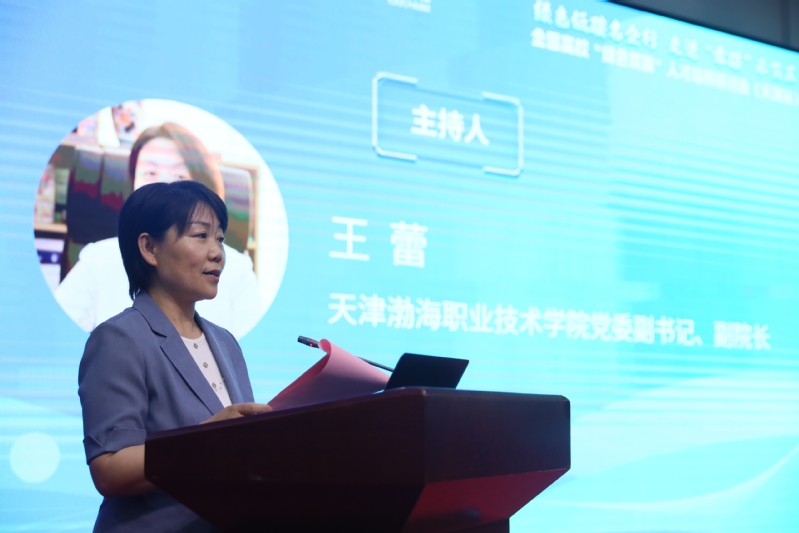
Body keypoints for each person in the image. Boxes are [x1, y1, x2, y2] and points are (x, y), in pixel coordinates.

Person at [78, 180, 272, 532]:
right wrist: (207, 440)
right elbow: (110, 469)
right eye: (201, 235)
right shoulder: (120, 338)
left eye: (220, 238)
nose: (217, 253)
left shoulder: (226, 342)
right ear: (149, 248)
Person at [55, 122, 264, 338]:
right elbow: (55, 335)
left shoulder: (237, 270)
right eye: (150, 172)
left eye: (179, 176)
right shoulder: (97, 260)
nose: (165, 185)